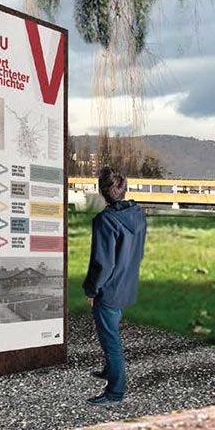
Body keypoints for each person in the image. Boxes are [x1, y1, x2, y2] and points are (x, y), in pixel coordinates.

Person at [82, 167, 147, 405]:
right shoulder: (138, 214)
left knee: (112, 344)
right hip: (126, 284)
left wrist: (91, 289)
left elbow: (102, 263)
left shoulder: (105, 220)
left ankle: (115, 392)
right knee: (112, 333)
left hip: (108, 290)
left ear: (102, 191)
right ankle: (109, 372)